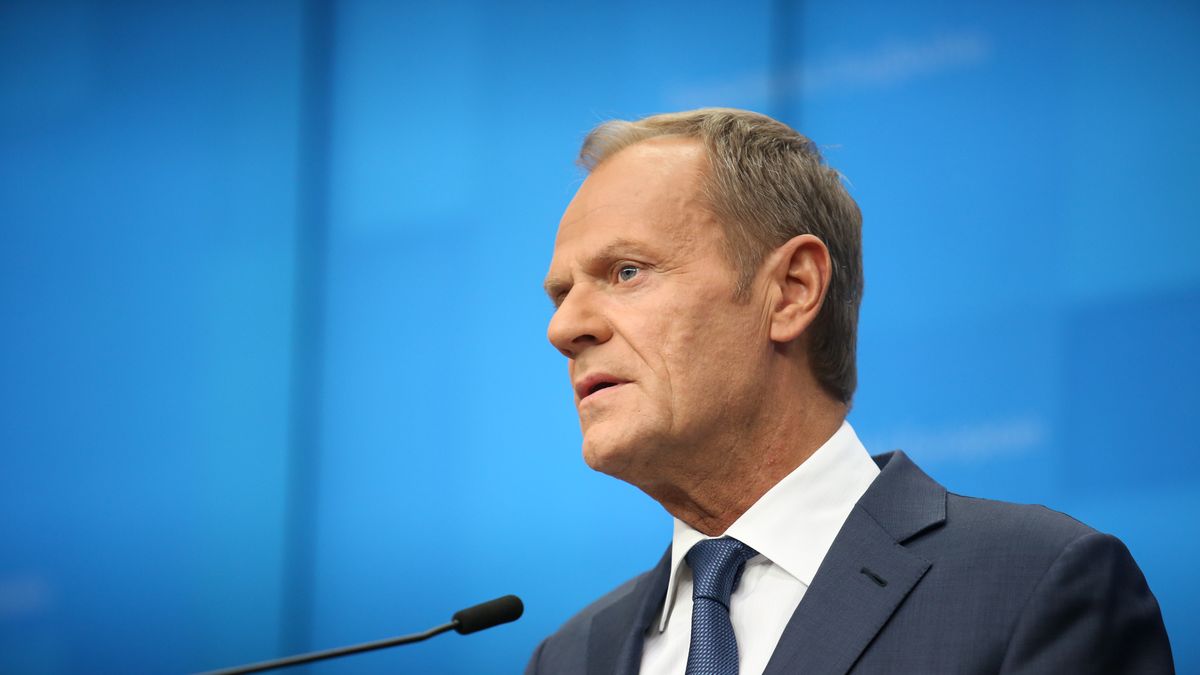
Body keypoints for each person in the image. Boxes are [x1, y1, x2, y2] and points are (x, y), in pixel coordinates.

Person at [528, 108, 1173, 674]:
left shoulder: (1032, 586)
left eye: (627, 271)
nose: (566, 328)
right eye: (563, 293)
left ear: (791, 291)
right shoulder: (569, 656)